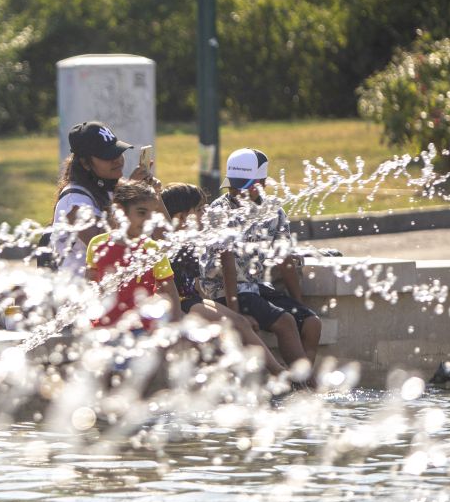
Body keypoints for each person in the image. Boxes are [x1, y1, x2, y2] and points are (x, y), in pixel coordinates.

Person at [198, 148, 322, 371]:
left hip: (254, 287)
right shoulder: (219, 211)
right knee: (286, 322)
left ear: (262, 182)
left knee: (312, 323)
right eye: (233, 186)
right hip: (222, 290)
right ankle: (305, 387)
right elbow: (225, 263)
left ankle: (300, 379)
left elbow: (285, 259)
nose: (237, 192)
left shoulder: (273, 210)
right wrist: (236, 314)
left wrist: (299, 302)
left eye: (244, 186)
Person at [160, 182, 286, 376]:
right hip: (179, 303)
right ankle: (278, 373)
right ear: (181, 217)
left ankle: (274, 372)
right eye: (200, 209)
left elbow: (194, 282)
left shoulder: (192, 240)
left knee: (240, 322)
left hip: (192, 299)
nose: (207, 211)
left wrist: (213, 304)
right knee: (230, 326)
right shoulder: (167, 243)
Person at [49, 121, 155, 274]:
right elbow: (105, 248)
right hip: (79, 291)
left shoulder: (113, 186)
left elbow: (161, 237)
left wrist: (154, 198)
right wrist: (130, 197)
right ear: (85, 163)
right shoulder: (74, 203)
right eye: (108, 156)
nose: (117, 160)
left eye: (118, 152)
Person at [86, 181, 180, 330]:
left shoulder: (153, 249)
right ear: (119, 212)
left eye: (152, 215)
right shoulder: (98, 244)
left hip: (141, 329)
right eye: (142, 213)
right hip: (104, 328)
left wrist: (175, 326)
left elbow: (170, 292)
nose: (148, 220)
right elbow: (91, 285)